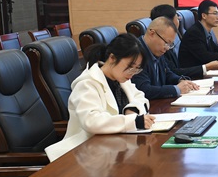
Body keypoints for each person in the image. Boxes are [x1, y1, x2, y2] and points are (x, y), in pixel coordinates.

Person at [45, 33, 154, 162]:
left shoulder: (121, 79)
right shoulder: (87, 84)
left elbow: (140, 97)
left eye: (136, 69)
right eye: (130, 67)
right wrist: (134, 121)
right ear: (112, 58)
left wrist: (132, 110)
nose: (132, 73)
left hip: (114, 147)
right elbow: (92, 121)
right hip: (86, 153)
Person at [149, 4, 218, 78]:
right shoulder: (159, 47)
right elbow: (173, 72)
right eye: (177, 16)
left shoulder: (167, 42)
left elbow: (171, 73)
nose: (179, 18)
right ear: (168, 22)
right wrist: (206, 67)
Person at [132, 16, 199, 99]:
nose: (167, 48)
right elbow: (144, 90)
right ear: (152, 33)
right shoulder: (136, 53)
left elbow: (167, 73)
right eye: (166, 43)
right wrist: (176, 89)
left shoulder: (157, 49)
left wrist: (181, 80)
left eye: (170, 45)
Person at [179, 0, 218, 68]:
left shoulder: (204, 30)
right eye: (215, 14)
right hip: (195, 73)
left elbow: (216, 50)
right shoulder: (194, 33)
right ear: (204, 16)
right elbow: (206, 57)